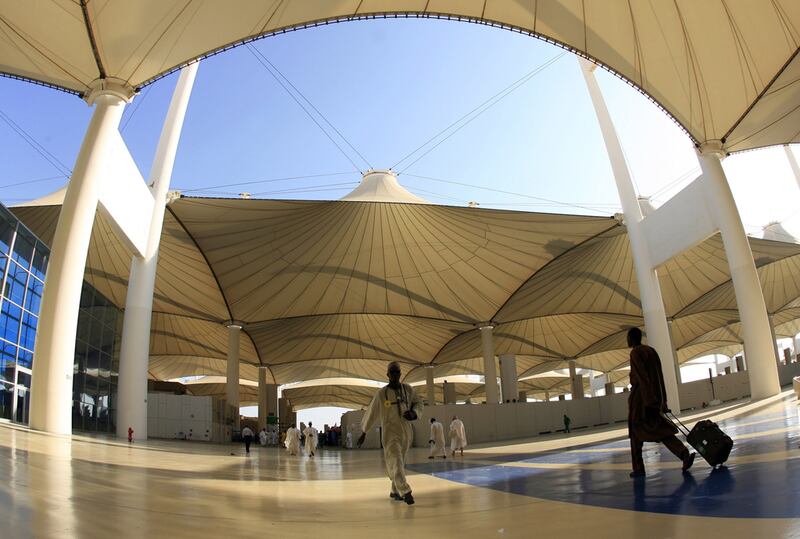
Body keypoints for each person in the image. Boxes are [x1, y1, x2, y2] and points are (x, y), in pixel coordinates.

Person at [626, 327, 695, 478]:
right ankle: (683, 454)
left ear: (632, 338)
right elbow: (659, 377)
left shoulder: (635, 353)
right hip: (655, 398)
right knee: (662, 431)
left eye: (628, 337)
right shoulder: (651, 351)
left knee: (636, 432)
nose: (628, 340)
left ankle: (639, 468)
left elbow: (642, 378)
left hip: (642, 401)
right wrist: (663, 401)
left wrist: (648, 400)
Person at [358, 361, 422, 505]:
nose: (395, 375)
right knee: (396, 460)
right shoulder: (382, 394)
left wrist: (414, 413)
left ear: (400, 374)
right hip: (390, 433)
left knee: (400, 462)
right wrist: (364, 431)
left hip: (406, 432)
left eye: (397, 372)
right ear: (387, 374)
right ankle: (405, 491)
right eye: (392, 372)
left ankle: (394, 490)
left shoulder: (408, 390)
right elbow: (372, 413)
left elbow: (419, 403)